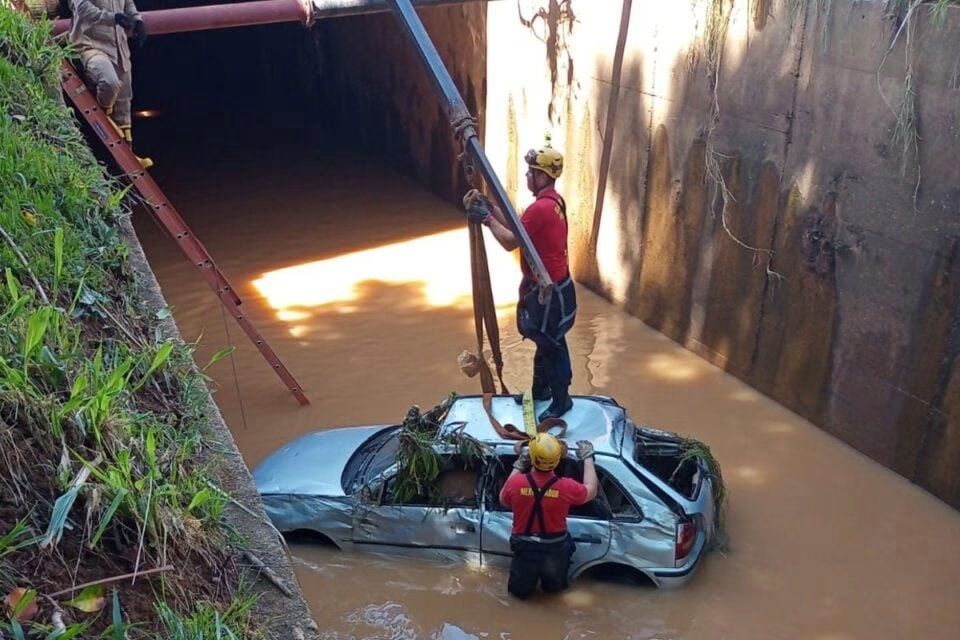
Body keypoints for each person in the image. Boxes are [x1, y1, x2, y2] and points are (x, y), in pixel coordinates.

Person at [463, 137, 577, 423]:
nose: (527, 175)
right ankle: (540, 392)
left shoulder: (539, 209)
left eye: (531, 172)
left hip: (549, 294)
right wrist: (491, 207)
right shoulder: (551, 203)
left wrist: (487, 219)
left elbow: (510, 241)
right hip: (553, 287)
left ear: (543, 176)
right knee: (545, 340)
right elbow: (519, 226)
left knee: (552, 345)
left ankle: (561, 401)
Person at [498, 433, 597, 600]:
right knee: (554, 594)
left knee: (518, 597)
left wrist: (519, 464)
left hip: (525, 550)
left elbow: (503, 500)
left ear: (533, 457)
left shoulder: (516, 484)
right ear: (557, 460)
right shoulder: (567, 487)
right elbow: (591, 490)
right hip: (555, 551)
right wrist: (588, 458)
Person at [68, 0, 153, 168]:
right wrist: (112, 18)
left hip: (119, 48)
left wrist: (136, 20)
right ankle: (103, 116)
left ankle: (129, 157)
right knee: (110, 82)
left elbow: (127, 2)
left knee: (124, 102)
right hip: (90, 46)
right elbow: (83, 7)